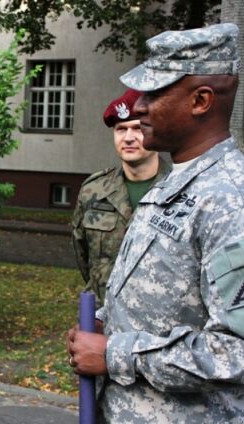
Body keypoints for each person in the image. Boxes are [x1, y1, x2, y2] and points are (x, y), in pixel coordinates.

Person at [67, 23, 244, 424]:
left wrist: (114, 354)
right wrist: (108, 320)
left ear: (200, 101)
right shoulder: (179, 181)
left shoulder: (232, 200)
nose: (137, 107)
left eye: (154, 93)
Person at [72, 88, 166, 306]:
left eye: (138, 128)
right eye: (121, 129)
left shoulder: (180, 189)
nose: (129, 138)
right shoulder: (93, 191)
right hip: (101, 316)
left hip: (158, 325)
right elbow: (83, 258)